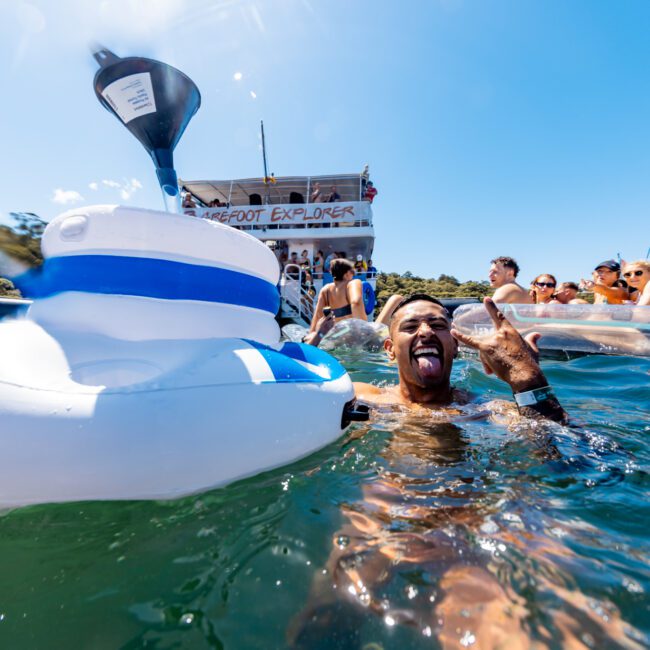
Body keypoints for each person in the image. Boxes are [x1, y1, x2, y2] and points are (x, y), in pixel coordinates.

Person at [309, 258, 367, 333]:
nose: (353, 275)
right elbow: (356, 303)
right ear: (347, 273)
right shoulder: (353, 283)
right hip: (352, 336)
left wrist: (311, 336)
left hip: (334, 337)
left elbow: (317, 316)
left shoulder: (325, 290)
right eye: (352, 272)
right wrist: (364, 331)